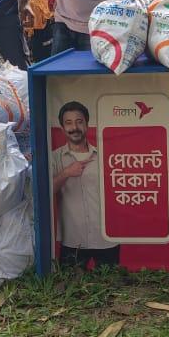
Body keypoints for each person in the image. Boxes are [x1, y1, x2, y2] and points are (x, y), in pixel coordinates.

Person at [51, 101, 119, 268]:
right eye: (69, 123)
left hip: (106, 239)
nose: (74, 127)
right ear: (62, 127)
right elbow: (45, 192)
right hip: (73, 240)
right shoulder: (54, 157)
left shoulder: (105, 155)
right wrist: (66, 173)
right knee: (71, 290)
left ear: (87, 125)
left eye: (79, 121)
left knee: (111, 289)